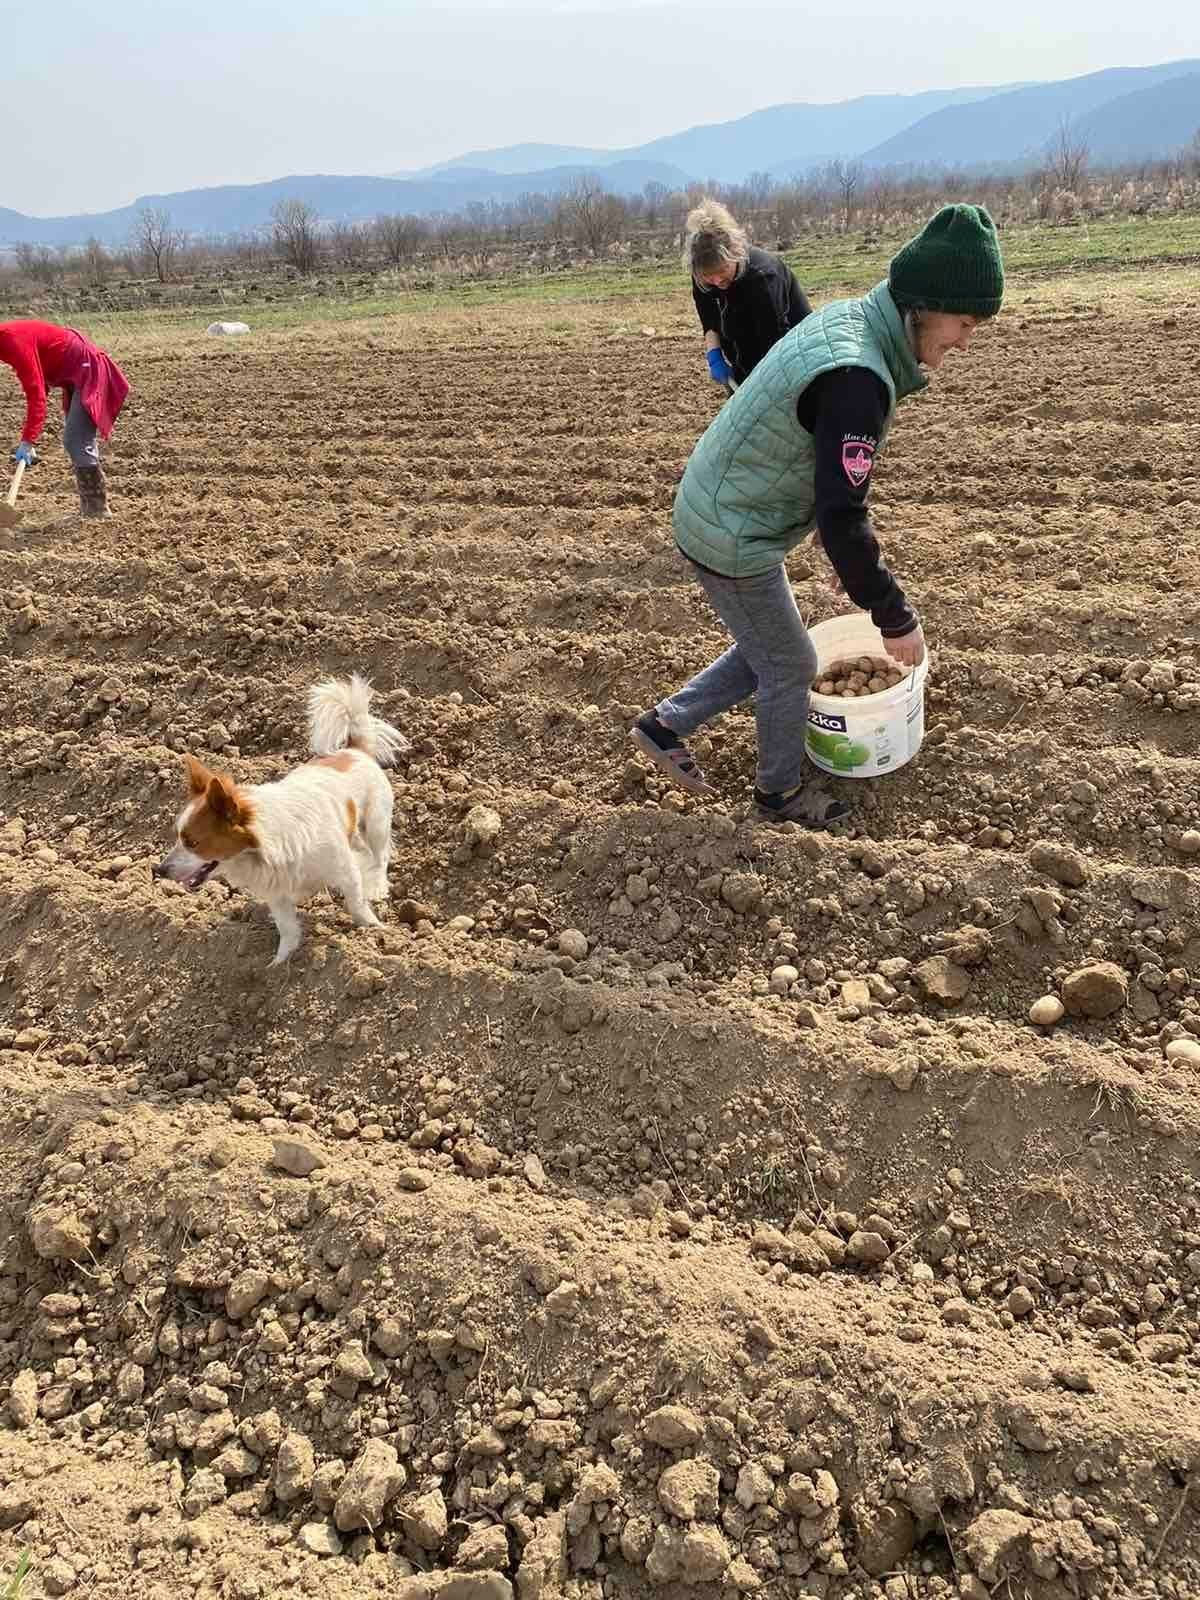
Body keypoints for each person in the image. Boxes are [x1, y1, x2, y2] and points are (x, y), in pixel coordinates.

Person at [634, 203, 1004, 827]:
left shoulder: (854, 321)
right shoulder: (859, 376)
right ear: (923, 307)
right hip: (730, 529)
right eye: (964, 323)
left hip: (725, 503)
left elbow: (825, 481)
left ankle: (666, 723)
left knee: (772, 643)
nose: (966, 340)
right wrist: (894, 615)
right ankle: (777, 796)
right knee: (792, 663)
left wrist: (841, 549)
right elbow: (841, 513)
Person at [0, 319, 130, 519]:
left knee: (76, 440)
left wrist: (27, 441)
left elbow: (37, 395)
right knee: (76, 440)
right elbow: (38, 380)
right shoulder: (6, 342)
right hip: (74, 371)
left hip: (87, 368)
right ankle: (89, 509)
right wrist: (30, 439)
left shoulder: (11, 341)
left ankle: (97, 509)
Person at [687, 198, 812, 389]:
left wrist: (755, 389)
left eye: (722, 271)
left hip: (790, 357)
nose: (717, 281)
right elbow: (709, 316)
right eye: (709, 277)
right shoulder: (703, 274)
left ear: (735, 253)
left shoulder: (763, 278)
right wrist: (714, 356)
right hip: (745, 355)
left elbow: (773, 343)